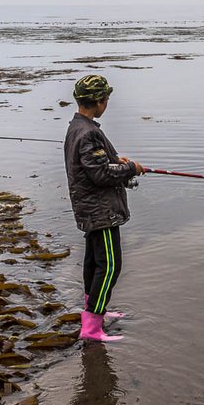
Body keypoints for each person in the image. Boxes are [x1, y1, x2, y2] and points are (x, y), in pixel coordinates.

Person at [64, 74, 144, 342]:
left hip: (91, 208)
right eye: (106, 98)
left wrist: (114, 160)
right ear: (99, 101)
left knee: (94, 262)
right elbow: (100, 176)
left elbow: (94, 166)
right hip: (101, 212)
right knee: (110, 265)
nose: (107, 102)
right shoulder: (88, 133)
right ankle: (92, 328)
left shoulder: (78, 126)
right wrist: (129, 168)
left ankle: (94, 311)